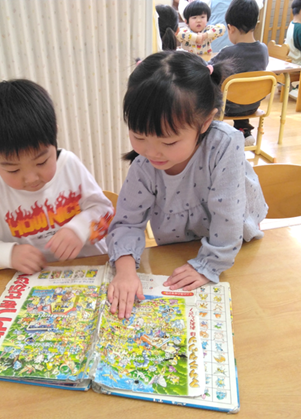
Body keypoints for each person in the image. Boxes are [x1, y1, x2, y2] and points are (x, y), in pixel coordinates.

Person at [106, 50, 267, 319]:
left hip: (234, 247)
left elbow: (228, 216)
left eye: (168, 141)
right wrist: (124, 271)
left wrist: (208, 265)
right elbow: (126, 223)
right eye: (139, 136)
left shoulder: (225, 144)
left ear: (205, 123)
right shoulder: (144, 166)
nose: (152, 152)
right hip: (180, 249)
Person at [0, 79, 114, 275]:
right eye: (13, 170)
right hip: (34, 282)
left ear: (55, 132)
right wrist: (8, 254)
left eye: (41, 162)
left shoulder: (69, 166)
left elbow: (105, 210)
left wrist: (80, 229)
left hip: (93, 270)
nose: (31, 178)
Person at [208, 0, 269, 147]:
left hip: (228, 107)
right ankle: (244, 130)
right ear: (255, 24)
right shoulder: (263, 50)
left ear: (231, 28)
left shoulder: (228, 52)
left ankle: (211, 133)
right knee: (243, 90)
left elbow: (208, 68)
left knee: (214, 87)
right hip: (253, 104)